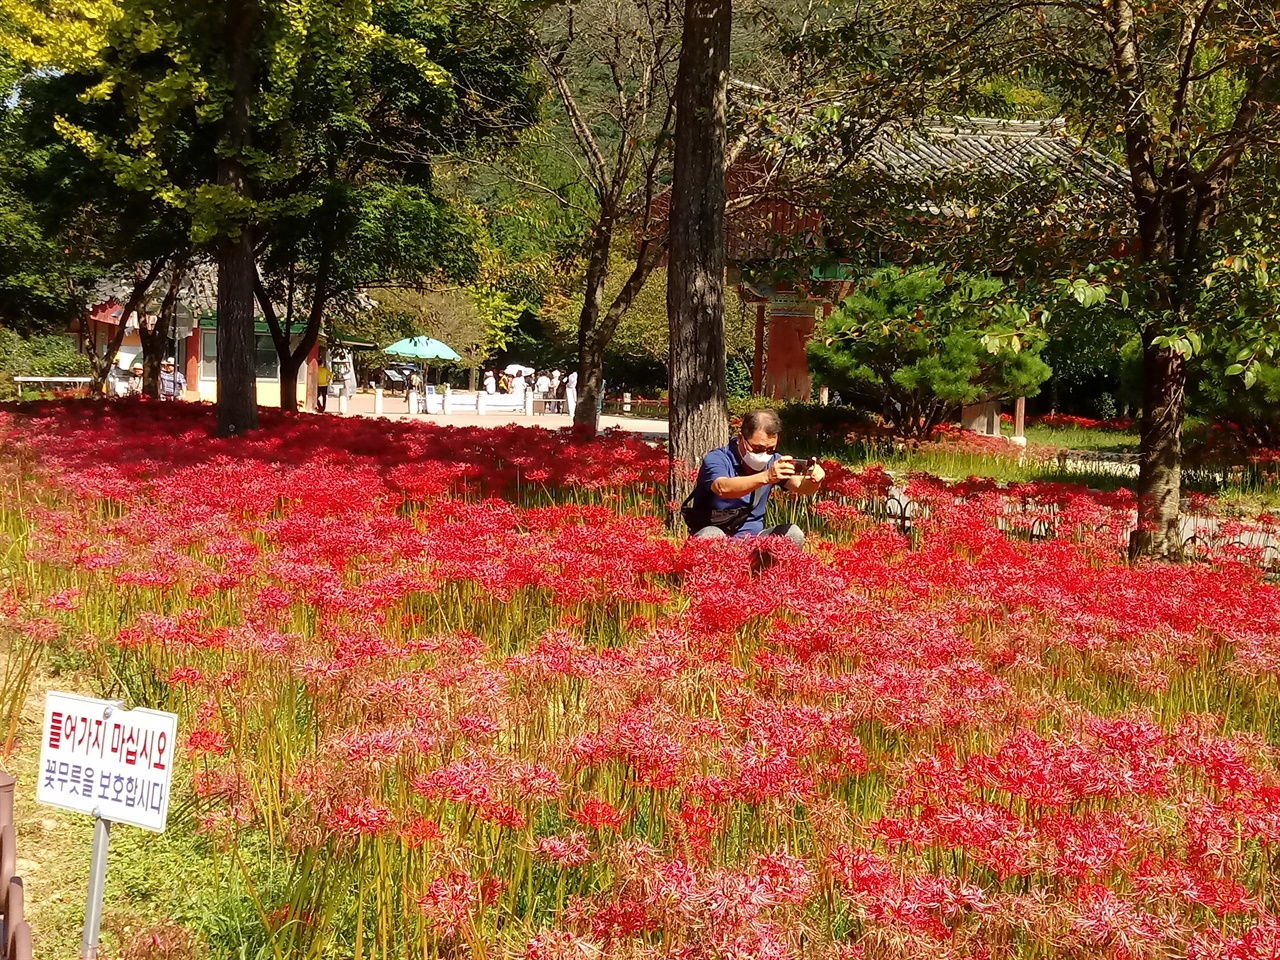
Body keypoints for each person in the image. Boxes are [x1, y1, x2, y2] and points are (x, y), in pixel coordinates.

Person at [685, 408, 825, 550]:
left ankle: (765, 570)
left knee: (793, 534)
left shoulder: (773, 462)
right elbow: (723, 487)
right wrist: (767, 477)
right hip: (718, 542)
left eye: (770, 449)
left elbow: (801, 486)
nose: (764, 455)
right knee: (710, 536)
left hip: (754, 543)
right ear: (741, 438)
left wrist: (814, 479)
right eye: (757, 449)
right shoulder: (717, 458)